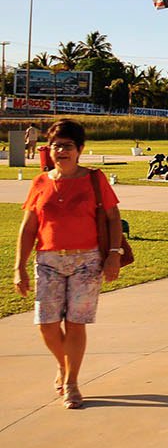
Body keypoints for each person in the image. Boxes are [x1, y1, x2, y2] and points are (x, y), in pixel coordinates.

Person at [13, 119, 123, 409]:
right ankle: (64, 365)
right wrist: (19, 266)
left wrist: (114, 254)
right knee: (46, 324)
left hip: (86, 261)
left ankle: (72, 382)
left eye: (68, 146)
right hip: (48, 261)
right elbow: (28, 227)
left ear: (80, 149)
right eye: (56, 146)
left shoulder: (94, 179)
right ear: (48, 149)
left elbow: (113, 218)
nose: (61, 151)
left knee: (75, 323)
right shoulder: (40, 183)